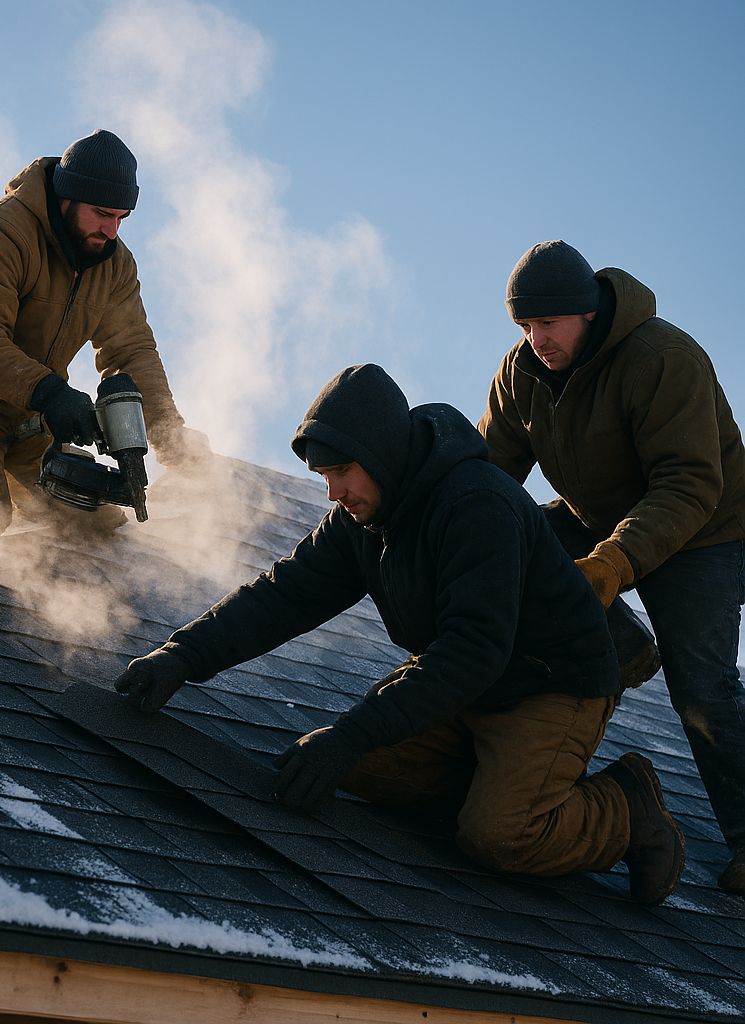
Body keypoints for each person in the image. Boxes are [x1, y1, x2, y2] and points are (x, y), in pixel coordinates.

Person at [115, 364, 685, 905]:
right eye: (324, 477)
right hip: (467, 689)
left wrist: (353, 733)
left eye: (341, 472)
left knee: (497, 837)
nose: (332, 493)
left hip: (551, 686)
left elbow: (473, 650)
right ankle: (492, 776)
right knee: (350, 769)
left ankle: (626, 808)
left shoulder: (476, 503)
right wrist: (182, 655)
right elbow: (283, 595)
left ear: (380, 455)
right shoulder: (363, 520)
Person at [479, 240, 745, 896]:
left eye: (548, 323)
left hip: (704, 531)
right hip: (598, 514)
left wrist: (611, 565)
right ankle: (622, 644)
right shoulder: (522, 374)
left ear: (589, 314)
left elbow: (688, 484)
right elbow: (486, 478)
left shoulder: (662, 358)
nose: (536, 339)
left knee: (703, 690)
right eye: (524, 326)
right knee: (505, 541)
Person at [0, 129, 207, 538]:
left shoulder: (115, 265)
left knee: (96, 525)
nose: (112, 231)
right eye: (102, 213)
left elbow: (131, 352)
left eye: (121, 218)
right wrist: (51, 393)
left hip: (29, 423)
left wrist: (169, 435)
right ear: (67, 197)